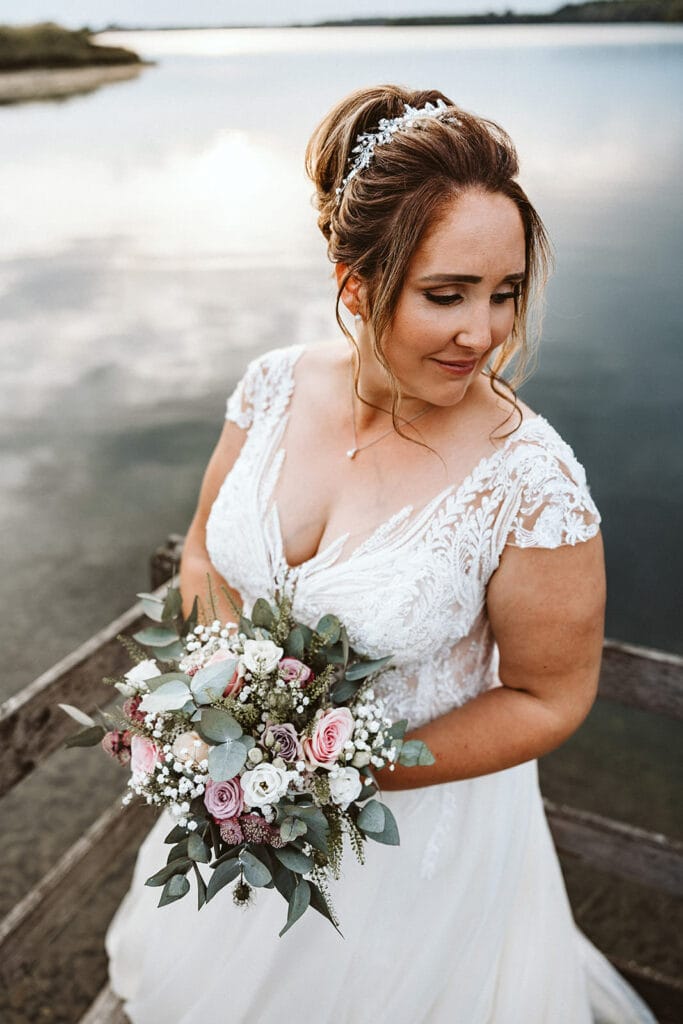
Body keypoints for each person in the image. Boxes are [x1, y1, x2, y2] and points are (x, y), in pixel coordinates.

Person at [105, 85, 657, 1023]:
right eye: (446, 295)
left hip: (419, 848)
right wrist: (223, 711)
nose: (482, 334)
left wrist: (337, 770)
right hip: (246, 796)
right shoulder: (272, 388)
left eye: (505, 293)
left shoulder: (532, 484)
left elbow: (549, 696)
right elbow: (202, 557)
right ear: (354, 282)